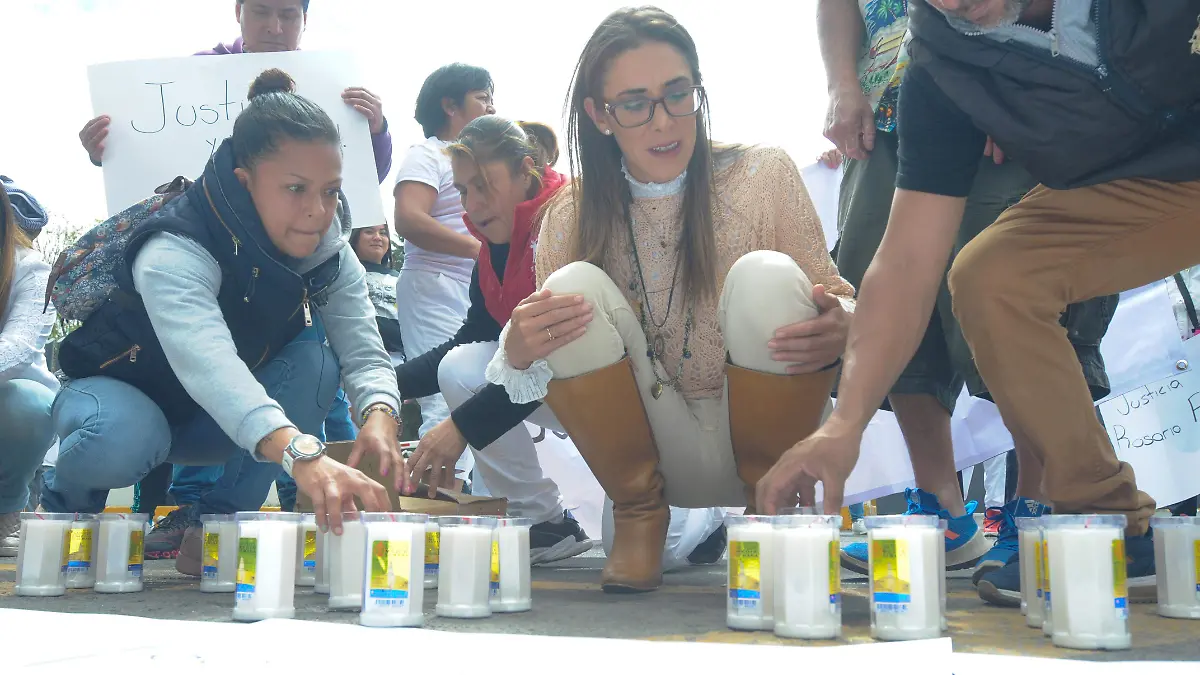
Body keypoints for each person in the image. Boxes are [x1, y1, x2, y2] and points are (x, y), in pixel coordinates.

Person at [758, 0, 1200, 606]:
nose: (956, 3)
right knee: (992, 275)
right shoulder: (945, 67)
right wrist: (844, 425)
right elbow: (906, 260)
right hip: (1143, 190)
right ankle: (1111, 522)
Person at [488, 6, 855, 593]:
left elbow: (836, 297)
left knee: (766, 274)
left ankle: (773, 507)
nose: (663, 121)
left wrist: (843, 327)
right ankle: (640, 514)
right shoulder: (568, 214)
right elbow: (535, 354)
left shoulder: (763, 174)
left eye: (677, 94)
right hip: (652, 453)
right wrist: (519, 346)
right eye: (635, 103)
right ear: (599, 116)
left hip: (770, 434)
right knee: (568, 291)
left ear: (697, 92)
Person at [46, 69, 403, 576]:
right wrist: (302, 455)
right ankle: (68, 507)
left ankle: (216, 527)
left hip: (212, 424)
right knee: (119, 436)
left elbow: (363, 349)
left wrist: (381, 413)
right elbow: (211, 365)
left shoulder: (330, 252)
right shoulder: (174, 246)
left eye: (329, 190)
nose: (317, 212)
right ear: (245, 179)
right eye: (296, 188)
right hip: (118, 397)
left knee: (316, 361)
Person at [815, 0, 1116, 583]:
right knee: (888, 297)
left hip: (1007, 87)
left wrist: (1018, 89)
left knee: (1011, 300)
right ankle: (943, 512)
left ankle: (1040, 506)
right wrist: (840, 83)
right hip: (885, 112)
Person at [389, 115, 592, 564]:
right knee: (461, 366)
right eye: (463, 190)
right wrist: (385, 388)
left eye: (485, 185)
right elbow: (475, 340)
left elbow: (552, 353)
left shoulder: (566, 222)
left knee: (669, 549)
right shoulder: (494, 244)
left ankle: (702, 516)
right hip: (569, 389)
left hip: (618, 395)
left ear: (525, 170)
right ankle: (545, 523)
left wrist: (460, 427)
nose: (473, 204)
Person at [78, 0, 394, 182]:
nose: (275, 26)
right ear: (238, 12)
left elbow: (369, 180)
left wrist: (377, 130)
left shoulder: (334, 86)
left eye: (288, 14)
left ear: (305, 20)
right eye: (261, 10)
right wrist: (106, 150)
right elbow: (147, 161)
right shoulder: (191, 74)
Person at [392, 64, 497, 489]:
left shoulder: (471, 162)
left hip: (471, 289)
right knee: (442, 397)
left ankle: (474, 501)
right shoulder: (428, 153)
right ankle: (439, 510)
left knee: (475, 387)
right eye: (483, 97)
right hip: (434, 284)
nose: (493, 106)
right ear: (450, 105)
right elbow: (408, 219)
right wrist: (482, 250)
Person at [0, 179, 58, 556]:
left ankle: (6, 509)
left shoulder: (32, 271)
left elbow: (18, 349)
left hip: (10, 404)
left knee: (27, 404)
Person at [350, 223, 405, 366]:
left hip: (397, 359)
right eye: (369, 232)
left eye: (383, 233)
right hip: (354, 356)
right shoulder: (343, 273)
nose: (377, 238)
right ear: (355, 238)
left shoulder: (402, 278)